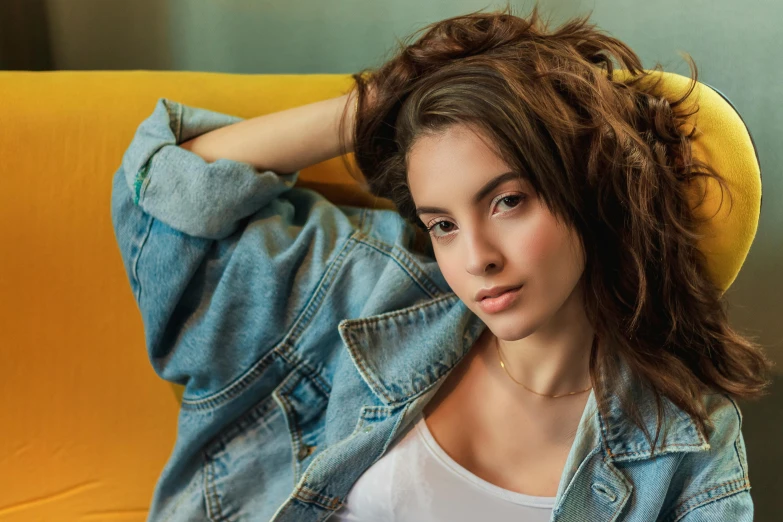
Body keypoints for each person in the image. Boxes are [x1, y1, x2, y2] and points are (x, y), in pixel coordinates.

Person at [110, 3, 773, 521]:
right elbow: (164, 201)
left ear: (588, 190)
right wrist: (382, 103)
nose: (476, 258)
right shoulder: (366, 297)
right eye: (443, 225)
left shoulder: (686, 445)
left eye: (508, 201)